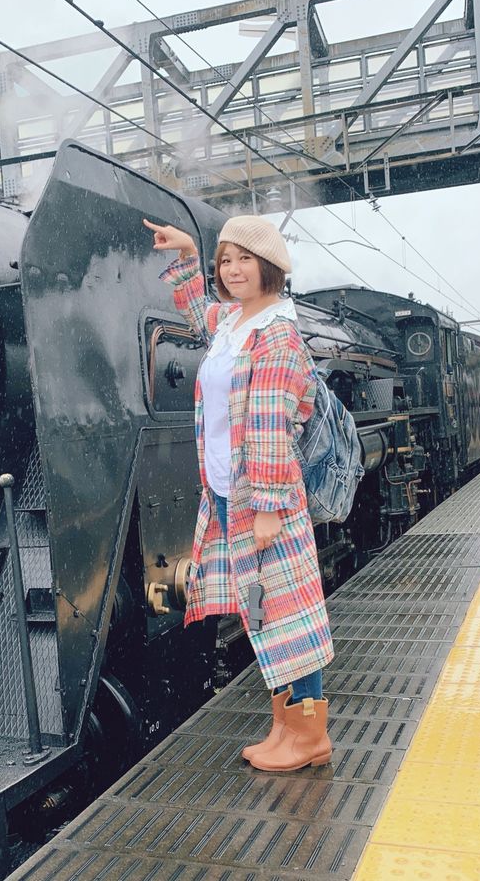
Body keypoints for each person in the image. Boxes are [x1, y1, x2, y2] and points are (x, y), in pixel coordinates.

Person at [143, 215, 333, 772]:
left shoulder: (277, 333)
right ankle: (285, 725)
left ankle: (309, 736)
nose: (232, 270)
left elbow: (273, 420)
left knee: (288, 613)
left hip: (262, 502)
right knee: (261, 613)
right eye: (226, 260)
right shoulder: (234, 323)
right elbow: (196, 309)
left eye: (244, 259)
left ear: (268, 265)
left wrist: (270, 507)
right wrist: (185, 255)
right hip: (228, 497)